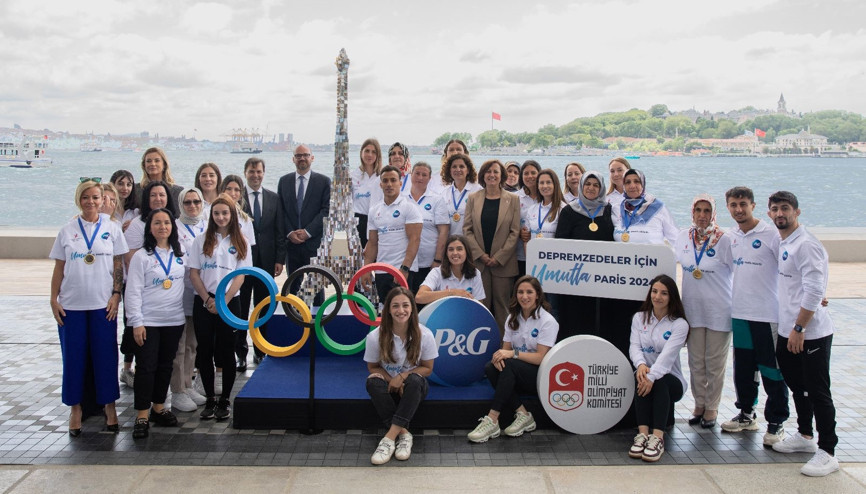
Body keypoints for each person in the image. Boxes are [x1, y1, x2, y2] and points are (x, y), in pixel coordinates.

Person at [767, 191, 839, 477]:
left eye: (785, 208)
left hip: (810, 333)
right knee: (798, 387)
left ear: (797, 212)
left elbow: (814, 290)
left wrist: (800, 328)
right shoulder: (786, 241)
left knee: (818, 391)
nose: (780, 213)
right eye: (775, 209)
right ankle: (805, 436)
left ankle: (828, 450)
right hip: (788, 330)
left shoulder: (806, 244)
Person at [50, 179, 128, 436]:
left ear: (103, 199)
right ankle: (76, 409)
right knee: (73, 360)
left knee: (106, 358)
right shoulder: (68, 229)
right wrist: (53, 299)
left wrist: (117, 294)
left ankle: (110, 407)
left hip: (102, 304)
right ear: (79, 200)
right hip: (71, 306)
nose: (92, 202)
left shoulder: (113, 228)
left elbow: (118, 264)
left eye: (96, 197)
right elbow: (59, 267)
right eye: (86, 197)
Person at [721, 186, 789, 446]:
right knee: (743, 369)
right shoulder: (731, 237)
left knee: (771, 370)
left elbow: (789, 268)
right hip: (740, 313)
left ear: (753, 205)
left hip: (768, 315)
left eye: (743, 204)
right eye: (733, 205)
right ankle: (746, 414)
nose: (738, 209)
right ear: (728, 207)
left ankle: (777, 422)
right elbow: (728, 268)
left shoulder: (772, 234)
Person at [468, 276, 558, 443]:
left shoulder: (547, 321)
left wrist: (513, 354)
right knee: (491, 367)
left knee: (509, 364)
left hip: (539, 376)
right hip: (516, 372)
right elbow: (505, 350)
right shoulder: (512, 318)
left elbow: (540, 358)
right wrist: (500, 357)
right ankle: (523, 414)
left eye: (529, 292)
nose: (525, 296)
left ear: (538, 295)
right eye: (520, 292)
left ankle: (492, 419)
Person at [188, 194, 251, 421]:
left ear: (232, 215)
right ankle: (210, 400)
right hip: (204, 301)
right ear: (211, 215)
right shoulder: (201, 240)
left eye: (225, 213)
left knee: (226, 350)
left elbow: (242, 275)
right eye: (217, 213)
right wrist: (207, 299)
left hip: (230, 301)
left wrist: (224, 300)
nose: (221, 217)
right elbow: (194, 272)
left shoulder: (240, 241)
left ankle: (225, 399)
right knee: (205, 350)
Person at [124, 208, 186, 438]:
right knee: (146, 368)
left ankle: (159, 407)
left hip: (174, 320)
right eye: (157, 223)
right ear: (150, 228)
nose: (163, 227)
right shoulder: (142, 256)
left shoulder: (180, 254)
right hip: (148, 321)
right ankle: (142, 414)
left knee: (165, 366)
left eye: (167, 223)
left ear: (173, 226)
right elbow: (133, 292)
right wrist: (136, 323)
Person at [675, 194, 733, 429]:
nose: (702, 215)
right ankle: (699, 404)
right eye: (698, 210)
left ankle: (712, 407)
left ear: (714, 213)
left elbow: (738, 272)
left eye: (706, 210)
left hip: (719, 310)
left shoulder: (724, 240)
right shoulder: (683, 237)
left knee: (715, 363)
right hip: (692, 310)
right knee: (696, 361)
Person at [364, 287, 438, 464]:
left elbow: (427, 369)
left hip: (413, 388)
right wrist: (393, 380)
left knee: (414, 380)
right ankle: (404, 434)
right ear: (388, 309)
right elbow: (373, 367)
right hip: (390, 386)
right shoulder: (375, 336)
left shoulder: (425, 334)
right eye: (395, 306)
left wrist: (403, 377)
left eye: (405, 305)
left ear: (412, 308)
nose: (401, 310)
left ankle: (388, 439)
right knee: (372, 382)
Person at [122, 180, 178, 389]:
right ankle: (143, 410)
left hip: (170, 309)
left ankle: (160, 405)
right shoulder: (137, 224)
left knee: (165, 360)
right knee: (146, 358)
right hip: (145, 300)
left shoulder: (174, 222)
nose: (158, 199)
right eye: (153, 195)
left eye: (162, 195)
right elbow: (129, 257)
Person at [627, 275, 689, 462]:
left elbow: (667, 357)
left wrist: (651, 375)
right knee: (641, 375)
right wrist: (641, 365)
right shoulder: (639, 318)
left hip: (672, 381)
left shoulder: (680, 324)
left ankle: (658, 438)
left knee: (658, 380)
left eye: (664, 293)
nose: (657, 297)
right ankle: (643, 435)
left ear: (672, 297)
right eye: (654, 291)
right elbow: (634, 346)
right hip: (647, 373)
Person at [553, 171, 615, 340]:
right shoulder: (569, 211)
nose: (591, 188)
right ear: (581, 186)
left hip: (602, 280)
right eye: (587, 184)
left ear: (602, 188)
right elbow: (560, 245)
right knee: (574, 320)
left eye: (596, 185)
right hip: (574, 280)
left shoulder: (609, 211)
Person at [238, 157, 286, 368]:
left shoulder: (274, 198)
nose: (255, 175)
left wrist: (279, 259)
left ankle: (261, 350)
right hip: (242, 262)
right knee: (240, 308)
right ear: (245, 173)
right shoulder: (237, 199)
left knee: (264, 306)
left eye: (258, 172)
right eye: (251, 171)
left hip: (267, 262)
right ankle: (240, 353)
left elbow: (279, 230)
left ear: (263, 173)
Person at [463, 159, 521, 334]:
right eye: (488, 171)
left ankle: (504, 346)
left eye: (495, 171)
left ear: (501, 175)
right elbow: (467, 229)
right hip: (479, 264)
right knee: (480, 308)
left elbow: (514, 232)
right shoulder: (474, 198)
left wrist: (499, 257)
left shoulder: (513, 199)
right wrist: (480, 254)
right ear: (482, 175)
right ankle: (481, 347)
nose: (492, 175)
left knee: (503, 309)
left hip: (503, 265)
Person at [170, 188, 208, 413]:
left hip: (200, 292)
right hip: (180, 291)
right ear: (180, 203)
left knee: (193, 343)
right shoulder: (174, 227)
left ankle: (188, 383)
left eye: (196, 202)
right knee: (180, 345)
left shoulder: (207, 225)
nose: (192, 206)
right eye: (187, 202)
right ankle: (177, 390)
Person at [278, 144, 331, 306]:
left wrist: (308, 232)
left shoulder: (323, 181)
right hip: (292, 244)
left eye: (306, 155)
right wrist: (289, 233)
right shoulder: (284, 181)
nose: (302, 158)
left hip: (314, 243)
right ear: (293, 159)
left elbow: (326, 210)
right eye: (298, 155)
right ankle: (293, 322)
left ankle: (317, 324)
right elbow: (281, 212)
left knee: (316, 287)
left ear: (312, 158)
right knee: (292, 287)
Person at [362, 165, 422, 301]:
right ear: (380, 184)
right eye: (385, 181)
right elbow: (372, 243)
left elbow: (415, 240)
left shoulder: (410, 208)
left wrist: (404, 269)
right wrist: (366, 269)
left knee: (403, 312)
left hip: (402, 270)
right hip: (381, 270)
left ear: (400, 183)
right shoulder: (374, 210)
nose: (389, 184)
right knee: (385, 312)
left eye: (393, 180)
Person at [403, 162, 449, 298]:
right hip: (406, 262)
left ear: (430, 178)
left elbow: (444, 232)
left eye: (424, 175)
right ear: (411, 175)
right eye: (417, 173)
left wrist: (438, 259)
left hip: (428, 262)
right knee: (406, 300)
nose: (420, 178)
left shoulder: (437, 200)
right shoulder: (402, 199)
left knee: (425, 301)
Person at [612, 169, 677, 246]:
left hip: (652, 257)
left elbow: (675, 238)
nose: (632, 186)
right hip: (624, 257)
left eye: (637, 181)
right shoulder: (617, 208)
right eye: (628, 182)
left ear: (643, 184)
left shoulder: (658, 207)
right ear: (623, 186)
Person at [415, 234, 486, 305]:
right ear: (446, 253)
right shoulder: (436, 272)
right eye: (451, 249)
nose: (455, 253)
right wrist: (452, 293)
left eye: (459, 249)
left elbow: (479, 305)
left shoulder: (475, 273)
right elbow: (419, 297)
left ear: (467, 252)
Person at [351, 138, 383, 247]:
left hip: (378, 221)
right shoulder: (352, 176)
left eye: (374, 152)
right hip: (358, 221)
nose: (370, 155)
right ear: (361, 153)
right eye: (367, 151)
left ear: (378, 155)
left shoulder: (382, 176)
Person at [441, 153, 482, 237]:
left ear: (468, 170)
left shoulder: (478, 190)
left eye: (461, 166)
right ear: (449, 170)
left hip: (471, 242)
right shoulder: (444, 193)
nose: (458, 169)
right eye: (454, 167)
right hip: (450, 242)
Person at [133, 147, 184, 215]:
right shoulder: (136, 190)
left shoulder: (178, 191)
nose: (152, 164)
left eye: (157, 161)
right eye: (148, 161)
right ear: (144, 165)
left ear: (164, 165)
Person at [516, 160, 541, 276]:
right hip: (519, 253)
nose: (530, 176)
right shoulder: (515, 197)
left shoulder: (547, 196)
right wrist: (519, 233)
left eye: (533, 173)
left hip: (542, 253)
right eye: (526, 173)